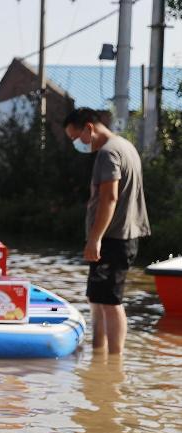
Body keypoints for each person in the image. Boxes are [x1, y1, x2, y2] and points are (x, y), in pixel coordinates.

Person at [64, 109, 150, 354]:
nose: (76, 144)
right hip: (120, 235)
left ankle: (114, 362)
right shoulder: (126, 147)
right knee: (97, 298)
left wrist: (95, 238)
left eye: (74, 137)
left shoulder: (108, 152)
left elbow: (109, 197)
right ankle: (98, 354)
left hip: (114, 237)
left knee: (111, 301)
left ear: (88, 128)